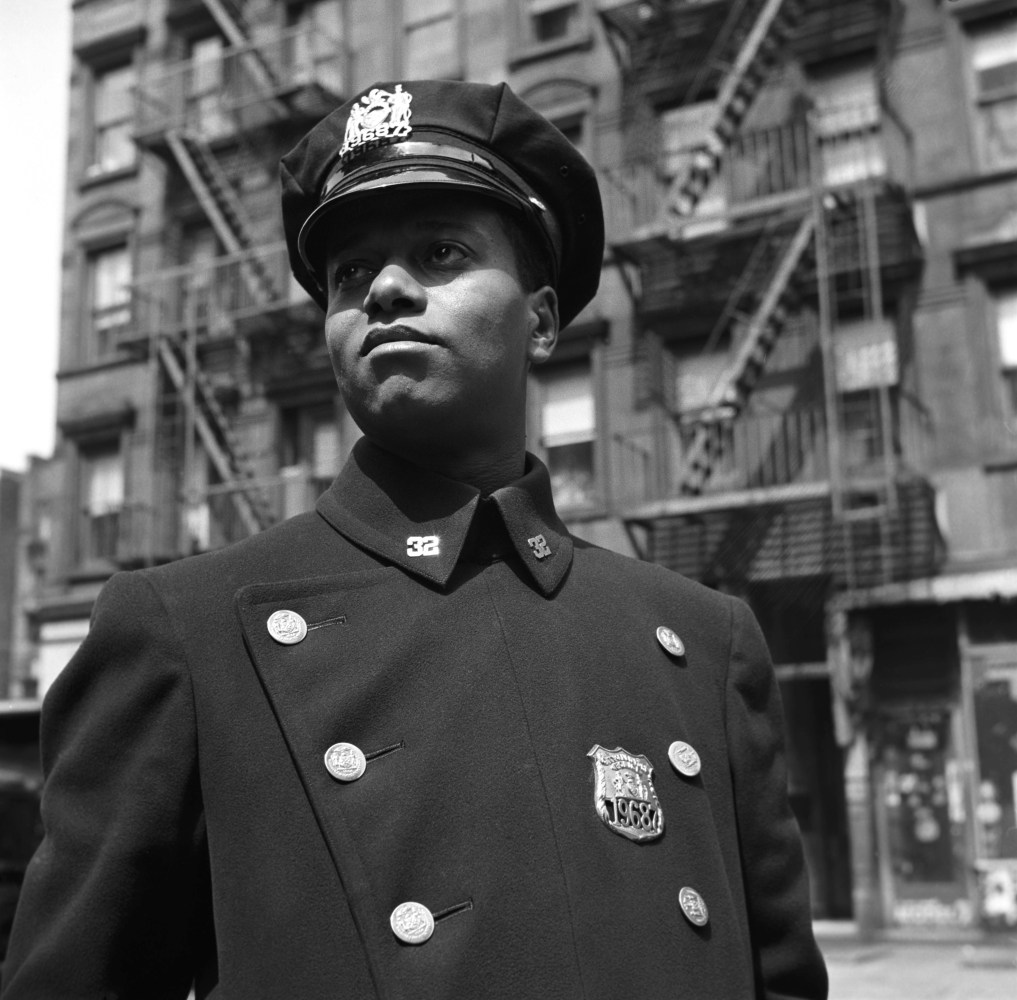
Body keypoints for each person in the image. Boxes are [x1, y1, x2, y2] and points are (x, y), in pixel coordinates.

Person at [1, 79, 828, 999]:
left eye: (440, 252)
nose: (385, 288)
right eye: (350, 274)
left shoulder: (701, 641)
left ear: (543, 318)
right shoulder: (183, 633)